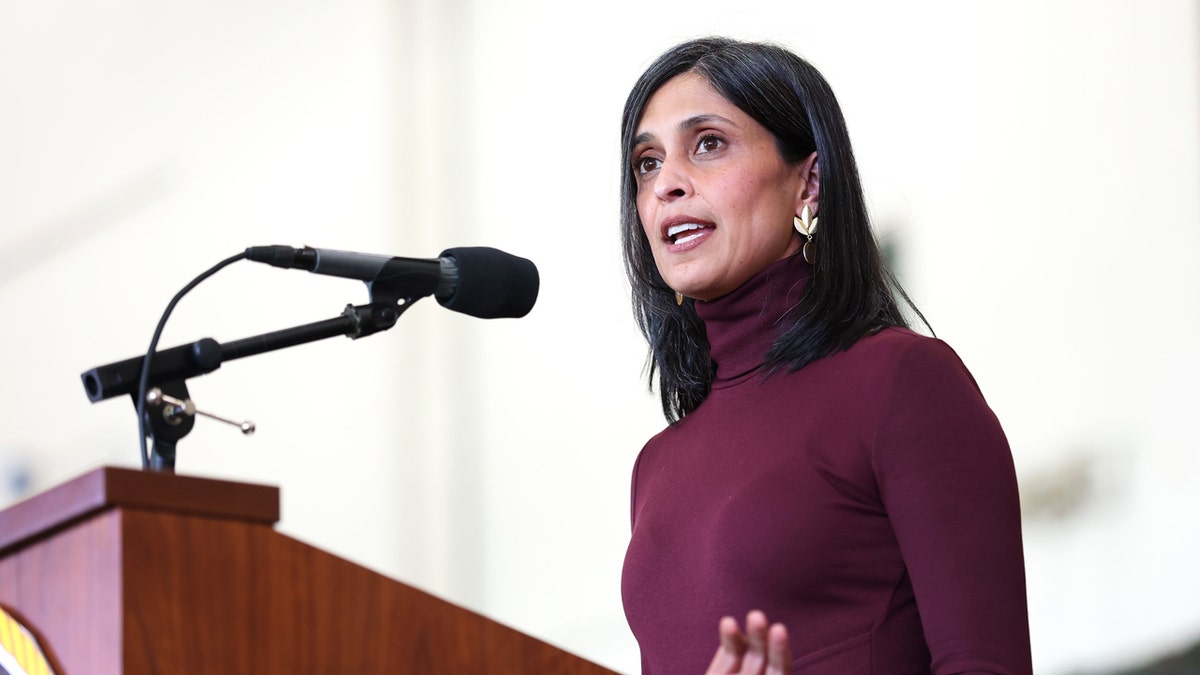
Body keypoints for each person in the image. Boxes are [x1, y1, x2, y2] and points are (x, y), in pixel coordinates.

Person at [618, 37, 1032, 674]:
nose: (668, 183)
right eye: (647, 163)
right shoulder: (656, 467)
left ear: (808, 182)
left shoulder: (901, 382)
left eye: (708, 144)